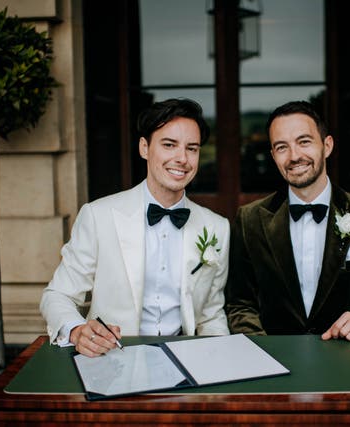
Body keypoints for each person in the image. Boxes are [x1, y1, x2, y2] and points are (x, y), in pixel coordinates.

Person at [41, 98, 230, 357]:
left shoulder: (217, 227)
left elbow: (211, 315)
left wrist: (222, 363)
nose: (182, 158)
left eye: (192, 148)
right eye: (169, 145)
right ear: (144, 147)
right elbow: (58, 295)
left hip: (188, 362)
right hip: (111, 360)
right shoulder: (98, 215)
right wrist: (76, 330)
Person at [226, 101, 350, 343]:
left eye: (304, 141)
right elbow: (240, 303)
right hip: (274, 360)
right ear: (274, 156)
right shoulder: (249, 219)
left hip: (345, 357)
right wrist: (263, 350)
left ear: (327, 146)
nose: (294, 156)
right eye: (282, 147)